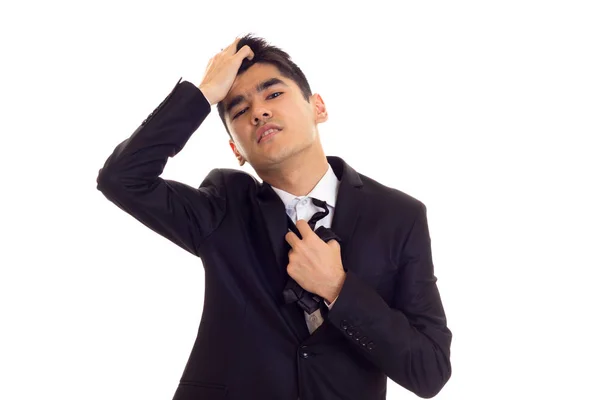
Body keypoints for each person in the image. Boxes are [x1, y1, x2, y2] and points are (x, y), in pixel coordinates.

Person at [96, 34, 452, 400]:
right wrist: (203, 94)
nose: (258, 111)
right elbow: (122, 179)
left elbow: (430, 371)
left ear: (318, 107)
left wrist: (338, 288)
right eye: (239, 109)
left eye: (273, 94)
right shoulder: (224, 204)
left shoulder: (399, 216)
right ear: (237, 150)